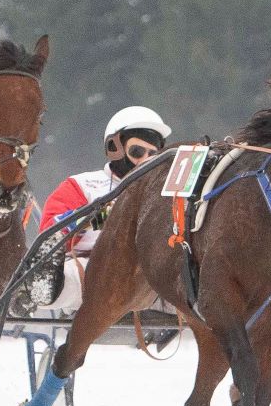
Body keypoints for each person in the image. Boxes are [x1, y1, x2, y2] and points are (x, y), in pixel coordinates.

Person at [27, 106, 171, 314]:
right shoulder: (83, 185)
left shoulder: (164, 191)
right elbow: (51, 231)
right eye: (137, 152)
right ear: (116, 148)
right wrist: (100, 217)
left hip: (148, 275)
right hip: (92, 267)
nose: (144, 161)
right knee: (81, 277)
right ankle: (43, 287)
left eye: (152, 155)